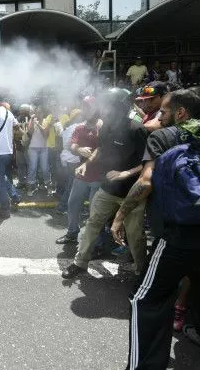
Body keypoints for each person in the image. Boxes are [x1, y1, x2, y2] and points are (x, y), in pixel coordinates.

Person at [111, 90, 200, 367]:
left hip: (179, 235)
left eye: (163, 112)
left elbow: (146, 182)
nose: (159, 117)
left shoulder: (163, 137)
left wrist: (120, 216)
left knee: (144, 298)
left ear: (180, 114)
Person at [61, 88, 148, 278]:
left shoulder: (138, 129)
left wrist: (125, 173)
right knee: (93, 224)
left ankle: (141, 271)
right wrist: (86, 163)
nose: (105, 110)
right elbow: (100, 149)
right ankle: (80, 262)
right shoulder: (107, 126)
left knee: (134, 234)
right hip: (107, 189)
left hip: (132, 193)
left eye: (109, 106)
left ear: (121, 107)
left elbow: (147, 164)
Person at [55, 97, 102, 244]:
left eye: (88, 106)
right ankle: (72, 233)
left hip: (98, 177)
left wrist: (99, 128)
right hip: (81, 175)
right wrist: (79, 149)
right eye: (84, 106)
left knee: (95, 211)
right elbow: (72, 146)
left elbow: (104, 148)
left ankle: (97, 242)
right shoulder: (79, 127)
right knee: (73, 204)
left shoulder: (102, 126)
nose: (85, 109)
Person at [55, 109, 83, 214]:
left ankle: (67, 205)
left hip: (66, 159)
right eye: (80, 115)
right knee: (72, 185)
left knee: (69, 184)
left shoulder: (68, 127)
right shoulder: (78, 127)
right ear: (77, 117)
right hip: (73, 159)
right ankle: (62, 207)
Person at [26, 105, 52, 196]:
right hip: (33, 148)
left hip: (44, 148)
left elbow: (45, 135)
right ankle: (30, 188)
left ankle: (48, 187)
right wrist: (32, 121)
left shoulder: (46, 122)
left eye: (40, 112)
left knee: (45, 168)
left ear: (43, 113)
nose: (38, 114)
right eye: (37, 112)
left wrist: (38, 125)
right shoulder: (32, 120)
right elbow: (30, 132)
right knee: (32, 168)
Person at [15, 104, 32, 189]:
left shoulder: (31, 119)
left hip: (29, 147)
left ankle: (30, 182)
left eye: (23, 110)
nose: (21, 112)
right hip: (19, 146)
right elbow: (14, 131)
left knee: (30, 165)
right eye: (21, 110)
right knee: (20, 165)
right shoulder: (17, 119)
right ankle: (21, 182)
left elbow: (31, 133)